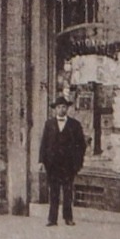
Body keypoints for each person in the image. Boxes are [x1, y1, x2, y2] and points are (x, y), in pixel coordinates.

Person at [39, 96, 88, 226]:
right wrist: (41, 161)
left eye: (64, 107)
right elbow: (44, 143)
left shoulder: (74, 125)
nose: (61, 110)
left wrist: (78, 162)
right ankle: (52, 219)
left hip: (68, 164)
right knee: (54, 191)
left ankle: (68, 217)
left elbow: (81, 145)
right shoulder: (49, 124)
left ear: (67, 108)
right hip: (53, 164)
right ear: (55, 109)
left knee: (67, 191)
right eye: (59, 107)